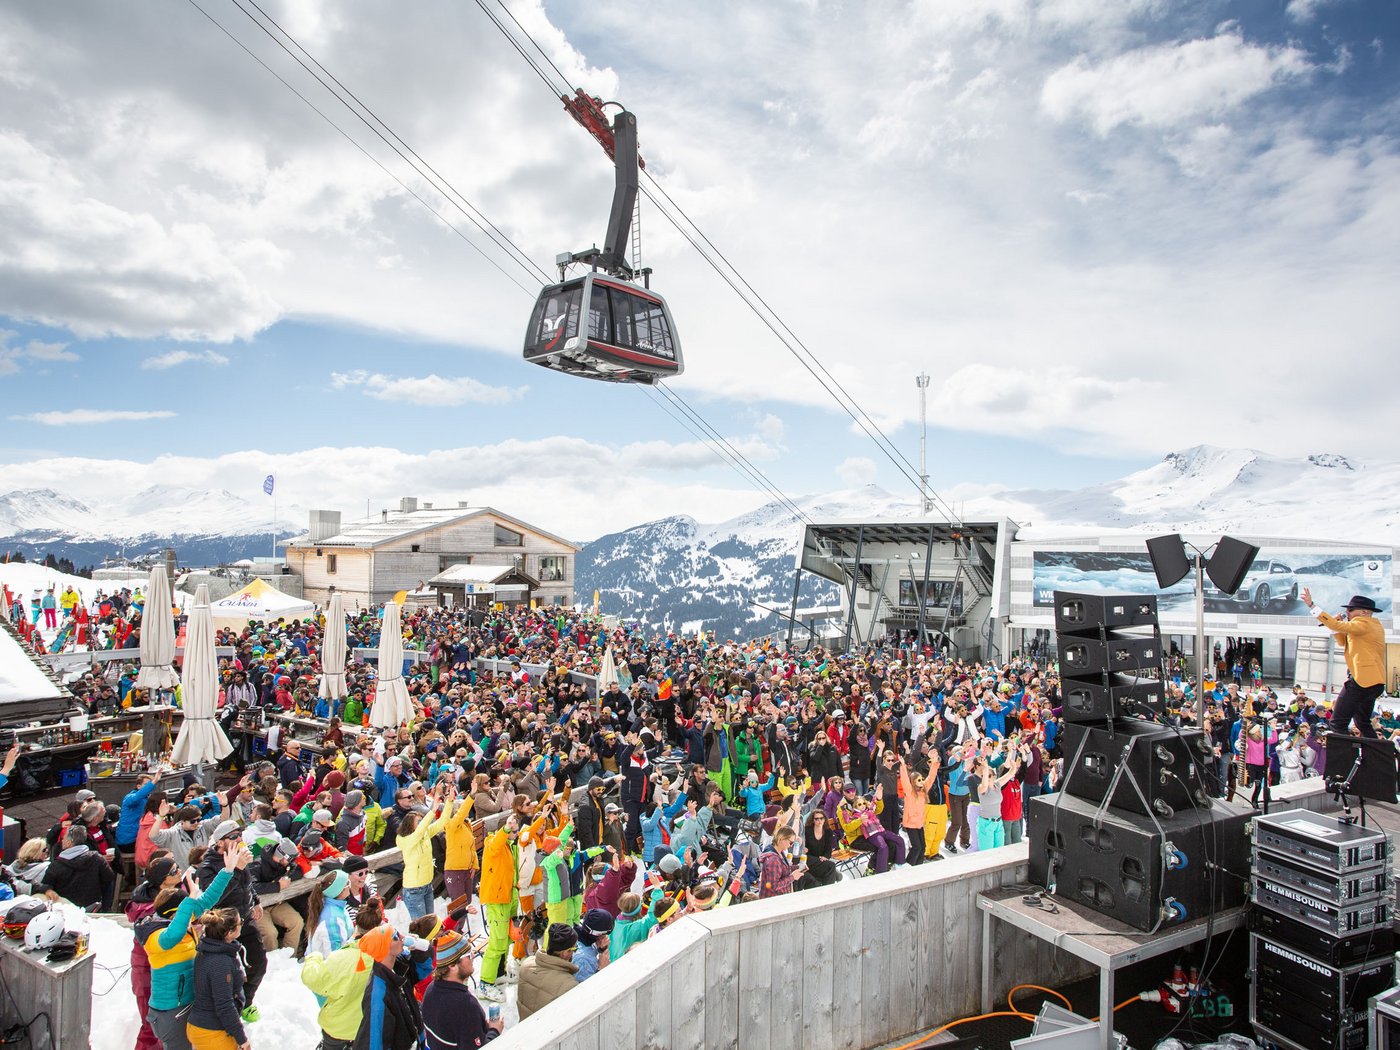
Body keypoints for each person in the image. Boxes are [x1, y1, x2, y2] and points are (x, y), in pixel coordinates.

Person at [138, 848, 243, 1050]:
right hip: (170, 1013)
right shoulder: (156, 937)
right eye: (186, 914)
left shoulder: (183, 925)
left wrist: (228, 870)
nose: (192, 918)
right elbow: (173, 936)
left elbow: (207, 901)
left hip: (188, 1007)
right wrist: (189, 900)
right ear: (173, 916)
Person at [195, 822, 266, 1024]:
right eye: (233, 837)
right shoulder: (207, 866)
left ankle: (246, 1001)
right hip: (222, 926)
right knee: (228, 972)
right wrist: (236, 869)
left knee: (259, 962)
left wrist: (256, 901)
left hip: (244, 918)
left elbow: (247, 881)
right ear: (220, 842)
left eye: (240, 835)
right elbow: (214, 898)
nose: (239, 840)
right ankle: (230, 1008)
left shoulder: (239, 858)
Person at [1305, 589, 1386, 737]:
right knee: (1362, 722)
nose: (1347, 612)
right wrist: (1336, 625)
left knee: (1337, 722)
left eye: (1351, 610)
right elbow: (1343, 641)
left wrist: (1312, 606)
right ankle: (1375, 756)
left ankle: (1343, 757)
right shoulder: (1362, 626)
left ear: (1364, 612)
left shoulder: (1365, 623)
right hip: (1371, 682)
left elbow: (1338, 627)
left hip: (1362, 682)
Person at [420, 930, 503, 1050]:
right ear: (452, 966)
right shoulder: (464, 1005)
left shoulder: (431, 989)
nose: (473, 956)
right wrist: (494, 1030)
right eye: (468, 955)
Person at [187, 907, 249, 1050]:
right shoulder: (220, 963)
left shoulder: (209, 949)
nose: (242, 924)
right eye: (241, 923)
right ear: (229, 933)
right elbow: (224, 1005)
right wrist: (242, 1039)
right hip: (211, 1032)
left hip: (204, 1027)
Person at [299, 933, 375, 1050]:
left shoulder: (340, 958)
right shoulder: (384, 960)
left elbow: (311, 978)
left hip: (336, 1028)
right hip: (366, 1027)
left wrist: (314, 956)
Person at [353, 924, 420, 1050]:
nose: (402, 937)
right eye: (395, 936)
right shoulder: (378, 995)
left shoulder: (399, 967)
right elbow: (373, 1043)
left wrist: (419, 948)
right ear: (384, 948)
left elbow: (425, 971)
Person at [46, 824, 116, 911]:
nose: (62, 840)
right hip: (92, 908)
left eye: (63, 838)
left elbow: (45, 886)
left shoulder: (56, 865)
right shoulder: (97, 859)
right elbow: (109, 881)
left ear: (69, 842)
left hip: (65, 911)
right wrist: (106, 908)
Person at [517, 922, 580, 1019]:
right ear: (564, 953)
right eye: (574, 949)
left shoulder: (526, 964)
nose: (574, 952)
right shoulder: (568, 984)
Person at [572, 909, 614, 981]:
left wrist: (601, 950)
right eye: (606, 934)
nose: (606, 937)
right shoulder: (583, 959)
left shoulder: (579, 932)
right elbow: (585, 989)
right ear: (599, 934)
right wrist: (601, 969)